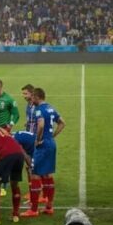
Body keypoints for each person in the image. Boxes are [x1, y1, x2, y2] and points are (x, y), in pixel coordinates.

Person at [26, 88, 65, 217]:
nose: (31, 99)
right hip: (51, 143)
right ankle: (49, 207)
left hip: (42, 145)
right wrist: (52, 136)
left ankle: (34, 209)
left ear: (37, 97)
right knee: (47, 175)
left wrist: (37, 140)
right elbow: (62, 123)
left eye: (32, 97)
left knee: (35, 174)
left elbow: (41, 125)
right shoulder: (50, 108)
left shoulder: (39, 110)